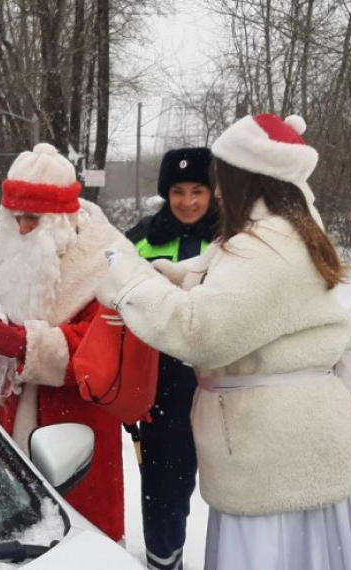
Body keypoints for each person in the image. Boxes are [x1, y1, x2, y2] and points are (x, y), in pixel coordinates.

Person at [98, 114, 351, 569]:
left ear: (244, 177)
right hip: (285, 445)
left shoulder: (266, 244)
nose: (216, 192)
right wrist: (167, 276)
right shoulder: (284, 229)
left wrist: (128, 281)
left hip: (272, 456)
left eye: (219, 179)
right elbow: (222, 280)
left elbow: (202, 333)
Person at [0, 142, 134, 542]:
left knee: (80, 532)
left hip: (78, 422)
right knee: (23, 529)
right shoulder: (13, 253)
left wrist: (28, 344)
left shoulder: (107, 261)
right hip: (17, 415)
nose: (23, 229)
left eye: (33, 219)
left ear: (61, 218)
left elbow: (102, 347)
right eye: (16, 219)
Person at [124, 147, 217, 570]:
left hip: (224, 383)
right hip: (163, 386)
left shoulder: (233, 238)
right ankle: (164, 559)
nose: (188, 201)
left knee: (235, 483)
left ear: (213, 191)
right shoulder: (142, 237)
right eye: (178, 191)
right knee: (165, 486)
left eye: (198, 190)